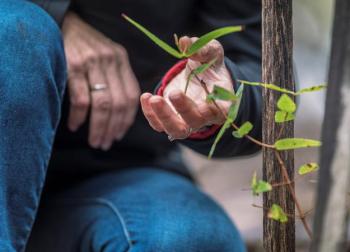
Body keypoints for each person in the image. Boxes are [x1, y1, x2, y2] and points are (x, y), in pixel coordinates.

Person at [0, 0, 262, 251]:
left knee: (191, 239)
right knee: (16, 33)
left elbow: (257, 70)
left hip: (118, 168)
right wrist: (56, 16)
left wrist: (227, 91)